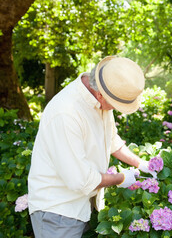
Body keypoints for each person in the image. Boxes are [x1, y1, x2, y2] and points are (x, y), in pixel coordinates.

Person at [28, 56, 156, 237]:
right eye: (115, 105)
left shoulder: (102, 98)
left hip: (84, 205)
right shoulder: (66, 113)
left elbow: (112, 140)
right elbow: (80, 180)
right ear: (100, 94)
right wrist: (121, 178)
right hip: (58, 212)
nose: (114, 109)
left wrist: (141, 164)